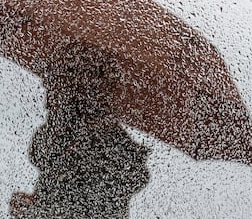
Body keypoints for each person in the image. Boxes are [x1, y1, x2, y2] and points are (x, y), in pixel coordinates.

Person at [10, 42, 150, 218]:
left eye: (54, 86)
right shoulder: (65, 135)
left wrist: (34, 211)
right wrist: (34, 204)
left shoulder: (109, 149)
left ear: (79, 89)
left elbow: (86, 208)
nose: (46, 100)